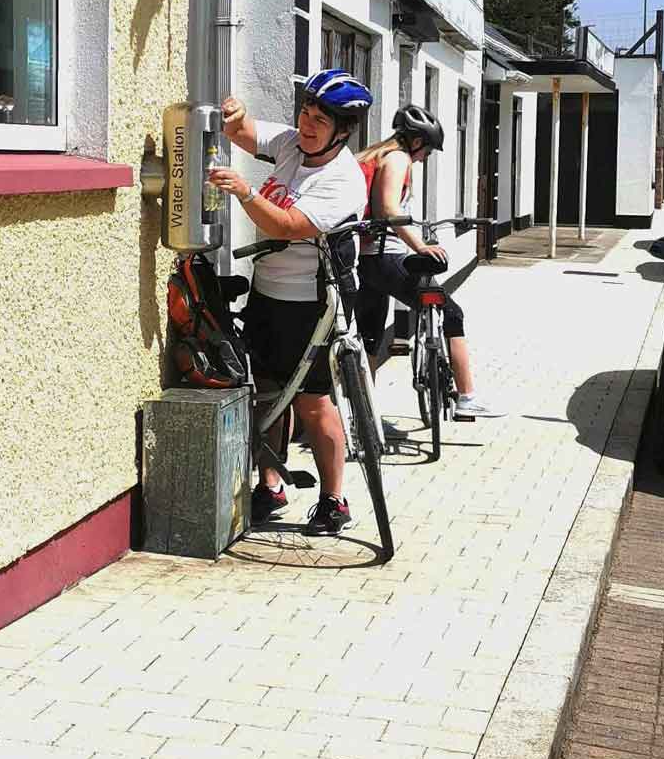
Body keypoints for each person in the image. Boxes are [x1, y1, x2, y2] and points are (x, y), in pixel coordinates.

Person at [207, 69, 371, 534]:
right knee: (266, 391)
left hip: (312, 305)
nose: (308, 123)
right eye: (305, 111)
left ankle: (333, 498)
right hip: (267, 293)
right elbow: (241, 132)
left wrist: (245, 192)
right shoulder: (292, 144)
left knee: (312, 402)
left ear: (342, 131)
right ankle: (271, 485)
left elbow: (288, 226)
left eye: (321, 119)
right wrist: (236, 116)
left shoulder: (343, 179)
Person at [354, 104, 505, 420]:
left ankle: (362, 417)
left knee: (370, 336)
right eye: (428, 150)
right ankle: (466, 397)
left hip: (366, 260)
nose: (425, 157)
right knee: (452, 312)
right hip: (386, 257)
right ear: (417, 141)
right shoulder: (398, 159)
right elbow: (390, 210)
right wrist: (421, 247)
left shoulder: (375, 155)